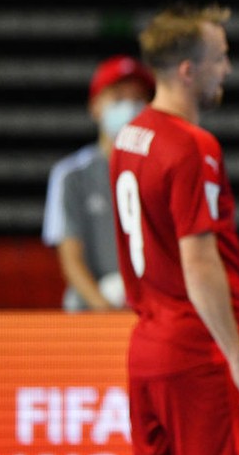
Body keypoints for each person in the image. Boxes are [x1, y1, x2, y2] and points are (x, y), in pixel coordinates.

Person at [106, 2, 239, 455]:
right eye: (218, 57)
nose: (226, 68)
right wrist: (237, 360)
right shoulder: (191, 145)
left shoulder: (130, 135)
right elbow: (199, 261)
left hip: (147, 340)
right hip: (193, 347)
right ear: (185, 70)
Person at [41, 55, 155, 311]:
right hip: (94, 306)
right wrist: (105, 310)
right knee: (78, 300)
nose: (129, 107)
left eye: (138, 99)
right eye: (118, 98)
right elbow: (71, 260)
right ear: (95, 107)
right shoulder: (71, 175)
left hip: (149, 303)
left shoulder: (162, 171)